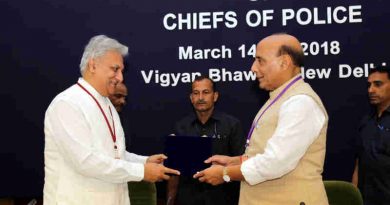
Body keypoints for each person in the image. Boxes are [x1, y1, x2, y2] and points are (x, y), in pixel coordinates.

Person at [194, 33, 329, 205]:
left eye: (260, 60)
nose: (253, 68)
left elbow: (275, 162)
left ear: (284, 62)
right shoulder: (279, 98)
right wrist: (237, 160)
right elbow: (267, 153)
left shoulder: (300, 102)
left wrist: (226, 173)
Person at [43, 35, 179, 205]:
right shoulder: (67, 104)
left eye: (121, 70)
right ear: (93, 65)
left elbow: (113, 154)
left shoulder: (105, 103)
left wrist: (144, 161)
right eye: (115, 69)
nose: (120, 77)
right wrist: (141, 171)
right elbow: (86, 161)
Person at [167, 76, 245, 205]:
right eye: (196, 93)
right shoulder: (181, 126)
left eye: (206, 92)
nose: (201, 97)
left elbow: (242, 162)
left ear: (215, 96)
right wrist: (170, 200)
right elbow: (174, 170)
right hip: (188, 198)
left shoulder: (232, 125)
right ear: (191, 98)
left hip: (223, 198)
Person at [109, 82, 157, 205]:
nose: (122, 101)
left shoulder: (119, 120)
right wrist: (142, 170)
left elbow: (120, 154)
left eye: (124, 98)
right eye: (118, 96)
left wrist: (147, 160)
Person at [352, 65, 390, 205]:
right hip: (366, 199)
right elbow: (359, 162)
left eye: (378, 84)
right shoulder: (366, 121)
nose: (371, 90)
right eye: (369, 85)